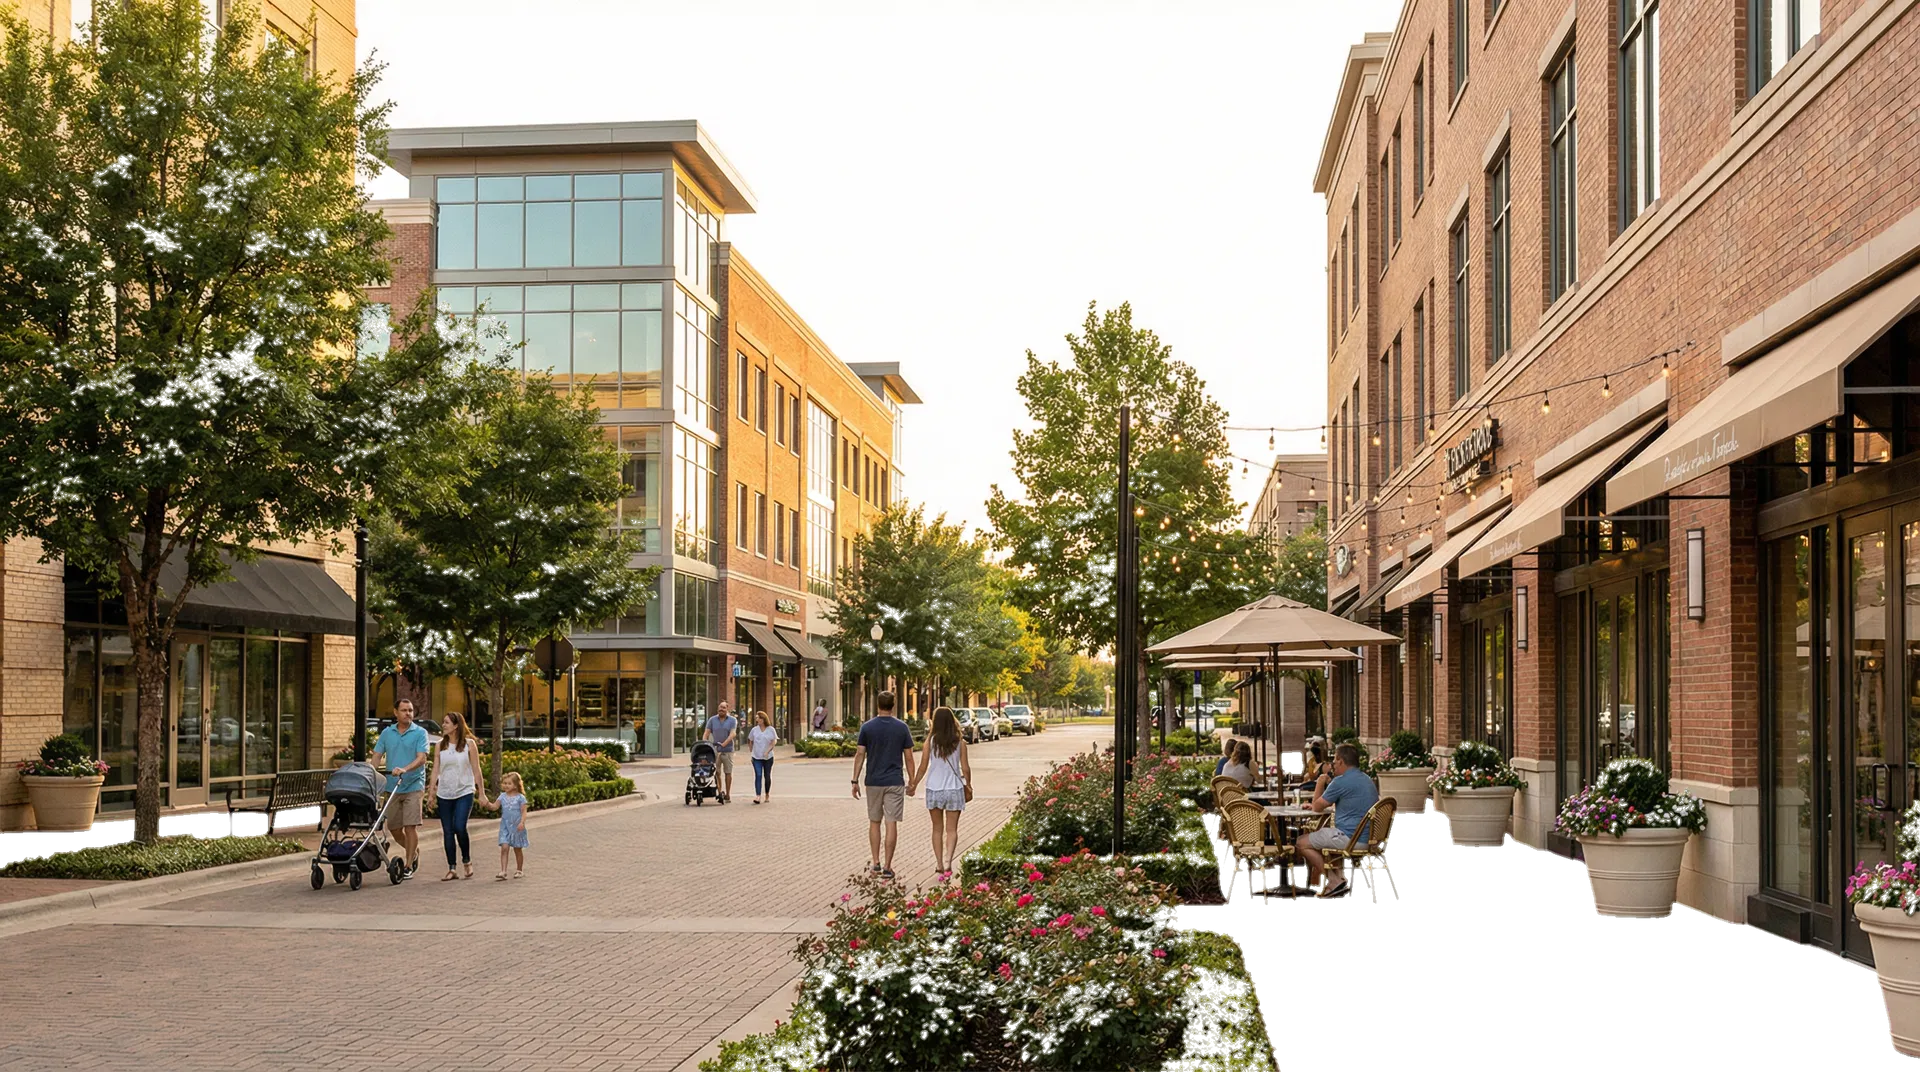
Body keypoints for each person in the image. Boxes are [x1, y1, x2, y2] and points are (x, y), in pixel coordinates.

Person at [1296, 743, 1380, 900]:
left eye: (1334, 761)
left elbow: (1316, 807)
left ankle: (1332, 880)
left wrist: (1320, 783)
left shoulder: (1340, 781)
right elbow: (1352, 802)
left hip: (1350, 838)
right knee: (1323, 838)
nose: (1333, 765)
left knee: (1301, 842)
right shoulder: (1367, 780)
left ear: (1341, 761)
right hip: (1368, 838)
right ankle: (1341, 879)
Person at [850, 691, 915, 880]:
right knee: (891, 822)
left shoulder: (867, 728)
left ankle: (876, 863)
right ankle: (888, 866)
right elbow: (909, 757)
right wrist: (912, 780)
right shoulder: (902, 728)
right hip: (894, 781)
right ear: (893, 705)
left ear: (877, 705)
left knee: (874, 822)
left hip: (873, 781)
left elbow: (860, 754)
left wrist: (854, 780)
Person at [906, 706, 972, 882]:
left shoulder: (931, 741)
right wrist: (969, 785)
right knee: (952, 829)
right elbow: (965, 768)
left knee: (937, 828)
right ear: (952, 721)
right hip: (954, 789)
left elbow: (923, 766)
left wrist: (913, 784)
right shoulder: (960, 742)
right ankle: (949, 860)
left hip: (934, 789)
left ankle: (939, 864)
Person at [371, 698, 430, 878]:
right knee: (395, 829)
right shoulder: (387, 733)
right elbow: (376, 756)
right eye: (404, 710)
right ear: (396, 712)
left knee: (410, 826)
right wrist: (370, 774)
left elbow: (422, 758)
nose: (408, 714)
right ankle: (413, 850)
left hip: (413, 784)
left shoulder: (420, 733)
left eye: (411, 710)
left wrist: (405, 769)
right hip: (392, 787)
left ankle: (409, 864)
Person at [427, 712, 489, 881]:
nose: (443, 725)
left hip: (464, 791)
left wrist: (481, 793)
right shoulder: (440, 745)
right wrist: (431, 792)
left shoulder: (469, 745)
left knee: (459, 827)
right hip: (445, 793)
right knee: (448, 831)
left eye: (446, 722)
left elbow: (477, 770)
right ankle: (452, 868)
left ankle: (467, 861)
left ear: (456, 725)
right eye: (443, 722)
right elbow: (436, 769)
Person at [703, 700, 739, 803]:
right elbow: (706, 733)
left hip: (728, 750)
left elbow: (733, 734)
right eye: (720, 707)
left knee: (728, 772)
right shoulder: (712, 720)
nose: (721, 709)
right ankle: (719, 792)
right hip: (715, 750)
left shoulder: (732, 720)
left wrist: (725, 743)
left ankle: (727, 793)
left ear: (727, 709)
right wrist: (705, 744)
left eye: (723, 708)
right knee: (716, 772)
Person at [495, 771, 529, 880]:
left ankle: (519, 870)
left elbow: (523, 812)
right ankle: (503, 871)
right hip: (505, 826)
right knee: (504, 847)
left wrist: (522, 822)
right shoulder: (502, 796)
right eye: (504, 783)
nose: (506, 785)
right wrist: (486, 803)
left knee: (517, 848)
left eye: (509, 783)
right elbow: (495, 806)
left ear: (515, 785)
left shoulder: (520, 798)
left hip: (517, 826)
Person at [748, 711, 779, 804]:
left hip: (768, 757)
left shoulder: (771, 729)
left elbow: (774, 741)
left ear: (763, 719)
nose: (757, 719)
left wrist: (768, 750)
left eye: (758, 718)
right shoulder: (754, 730)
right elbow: (750, 740)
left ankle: (767, 793)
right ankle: (758, 796)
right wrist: (751, 751)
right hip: (756, 757)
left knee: (767, 775)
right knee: (758, 775)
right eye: (756, 718)